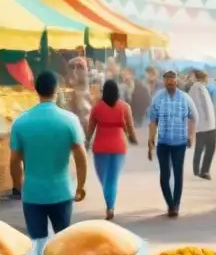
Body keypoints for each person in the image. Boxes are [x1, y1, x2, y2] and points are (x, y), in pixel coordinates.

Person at [10, 70, 88, 238]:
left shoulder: (21, 122)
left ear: (36, 90)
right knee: (62, 241)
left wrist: (19, 184)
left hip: (32, 193)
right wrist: (80, 186)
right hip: (62, 191)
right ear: (56, 89)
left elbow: (14, 160)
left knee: (37, 241)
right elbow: (81, 157)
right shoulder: (69, 120)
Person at [148, 70, 197, 218]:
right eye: (167, 80)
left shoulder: (185, 98)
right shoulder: (157, 98)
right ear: (164, 81)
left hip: (179, 142)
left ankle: (176, 205)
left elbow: (193, 117)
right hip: (162, 142)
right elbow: (152, 121)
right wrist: (150, 140)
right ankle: (170, 203)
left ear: (177, 81)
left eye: (172, 79)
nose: (170, 82)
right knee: (165, 175)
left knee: (177, 173)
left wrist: (191, 136)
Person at [86, 79, 136, 220]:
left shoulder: (97, 107)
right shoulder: (124, 107)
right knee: (112, 179)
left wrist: (86, 142)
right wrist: (133, 138)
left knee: (104, 179)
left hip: (100, 147)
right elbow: (130, 127)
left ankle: (109, 203)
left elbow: (91, 127)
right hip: (119, 147)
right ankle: (110, 206)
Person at [188, 70, 216, 180]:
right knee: (204, 147)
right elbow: (200, 106)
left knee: (203, 147)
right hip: (204, 123)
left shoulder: (200, 88)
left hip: (206, 123)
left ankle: (200, 170)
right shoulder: (196, 88)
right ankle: (201, 171)